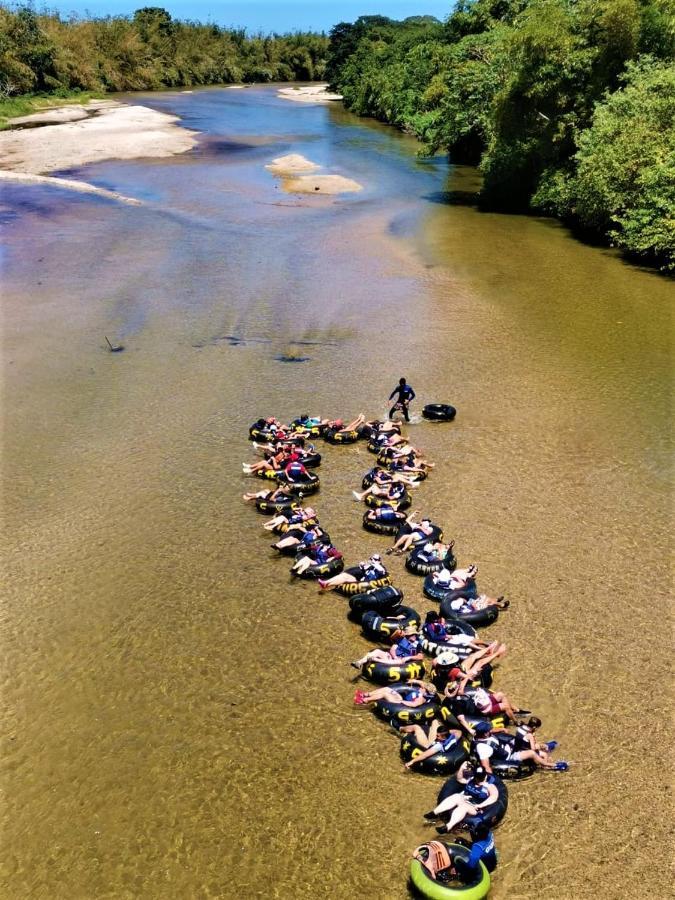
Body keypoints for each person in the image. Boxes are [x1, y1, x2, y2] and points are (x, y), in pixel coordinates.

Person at [471, 721, 568, 772]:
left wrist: (502, 729)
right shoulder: (483, 748)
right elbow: (486, 766)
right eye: (488, 730)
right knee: (532, 752)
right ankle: (550, 765)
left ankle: (545, 747)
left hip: (509, 746)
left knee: (525, 741)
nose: (490, 730)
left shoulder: (482, 735)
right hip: (509, 756)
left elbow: (491, 730)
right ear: (484, 734)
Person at [428, 766, 499, 833]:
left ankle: (448, 826)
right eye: (477, 777)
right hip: (466, 800)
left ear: (485, 776)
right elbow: (459, 779)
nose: (478, 779)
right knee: (456, 796)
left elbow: (493, 797)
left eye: (480, 777)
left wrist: (480, 805)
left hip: (475, 808)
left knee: (464, 807)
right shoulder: (471, 779)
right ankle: (434, 813)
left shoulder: (489, 786)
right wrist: (462, 767)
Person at [351, 628, 423, 668]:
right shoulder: (402, 640)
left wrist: (409, 658)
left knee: (399, 661)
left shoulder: (417, 645)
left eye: (415, 634)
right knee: (377, 651)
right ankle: (359, 662)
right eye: (412, 634)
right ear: (408, 635)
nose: (414, 636)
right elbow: (393, 649)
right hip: (392, 657)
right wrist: (394, 656)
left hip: (402, 662)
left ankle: (374, 660)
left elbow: (420, 657)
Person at [318, 554, 386, 590]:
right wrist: (362, 565)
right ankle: (326, 583)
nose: (373, 560)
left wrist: (374, 564)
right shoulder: (370, 567)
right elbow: (363, 571)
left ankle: (326, 584)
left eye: (376, 559)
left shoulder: (381, 568)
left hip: (366, 585)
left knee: (344, 579)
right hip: (360, 582)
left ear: (379, 561)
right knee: (344, 575)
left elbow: (382, 572)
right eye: (372, 559)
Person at [353, 679, 435, 707]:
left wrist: (402, 702)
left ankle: (365, 700)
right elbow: (422, 683)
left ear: (426, 692)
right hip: (400, 698)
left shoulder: (421, 699)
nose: (422, 687)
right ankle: (366, 694)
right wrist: (414, 681)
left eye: (424, 688)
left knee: (385, 694)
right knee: (386, 689)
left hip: (400, 703)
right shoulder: (424, 690)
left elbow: (414, 704)